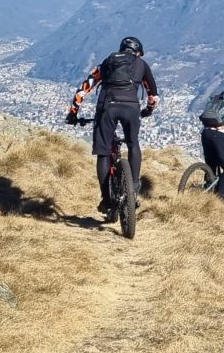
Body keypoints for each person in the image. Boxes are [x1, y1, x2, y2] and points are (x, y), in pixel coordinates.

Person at [66, 36, 160, 219]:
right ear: (138, 52)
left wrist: (73, 113)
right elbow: (153, 96)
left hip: (107, 107)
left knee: (103, 153)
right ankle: (133, 186)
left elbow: (84, 89)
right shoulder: (142, 65)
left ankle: (106, 199)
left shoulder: (107, 62)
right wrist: (148, 110)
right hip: (131, 108)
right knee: (133, 144)